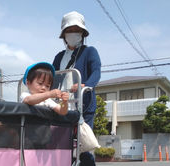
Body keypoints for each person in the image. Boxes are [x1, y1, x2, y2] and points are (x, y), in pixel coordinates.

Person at [52, 11, 101, 166]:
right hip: (63, 105)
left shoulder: (89, 51)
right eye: (69, 30)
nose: (73, 33)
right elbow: (52, 78)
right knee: (63, 146)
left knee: (83, 146)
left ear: (82, 33)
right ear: (64, 34)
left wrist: (86, 85)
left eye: (76, 30)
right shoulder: (59, 56)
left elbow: (96, 71)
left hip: (83, 106)